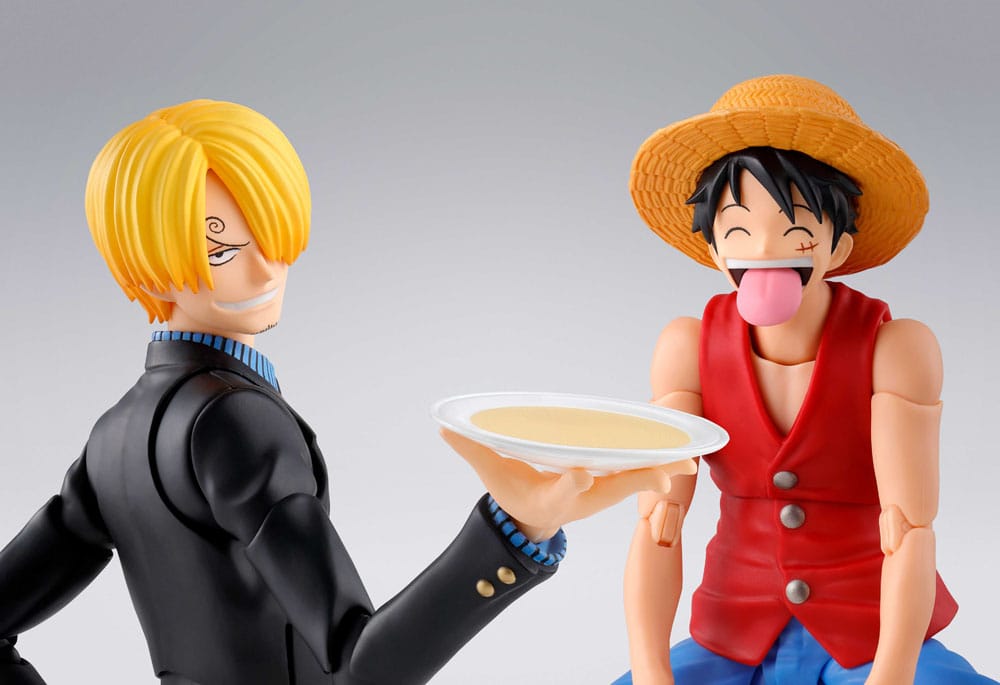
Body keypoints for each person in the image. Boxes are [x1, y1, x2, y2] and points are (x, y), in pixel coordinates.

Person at [0, 99, 692, 685]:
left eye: (268, 230)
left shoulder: (113, 434)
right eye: (220, 251)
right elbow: (360, 666)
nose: (265, 269)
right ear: (146, 266)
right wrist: (513, 530)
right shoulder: (232, 420)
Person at [614, 75, 997, 684]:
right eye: (739, 231)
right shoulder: (687, 348)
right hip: (734, 632)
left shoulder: (895, 348)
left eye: (795, 232)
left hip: (869, 631)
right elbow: (658, 524)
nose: (764, 251)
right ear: (713, 248)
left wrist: (892, 674)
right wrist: (650, 671)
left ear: (837, 246)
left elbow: (910, 529)